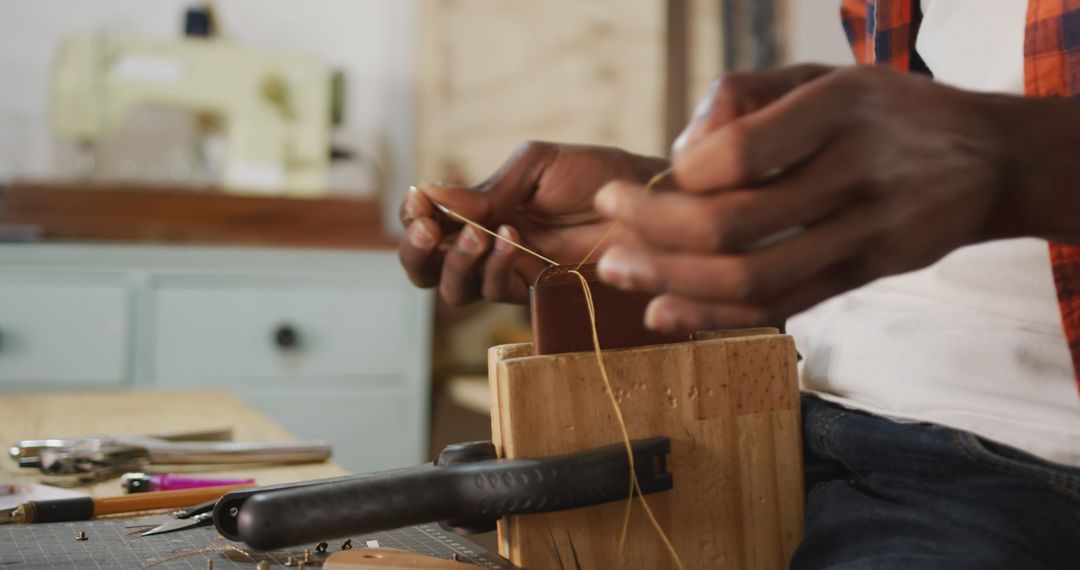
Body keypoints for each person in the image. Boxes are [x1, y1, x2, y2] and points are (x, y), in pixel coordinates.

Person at [399, 1, 1080, 567]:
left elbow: (978, 159)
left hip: (1008, 466)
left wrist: (1011, 162)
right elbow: (941, 198)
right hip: (800, 417)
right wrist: (698, 211)